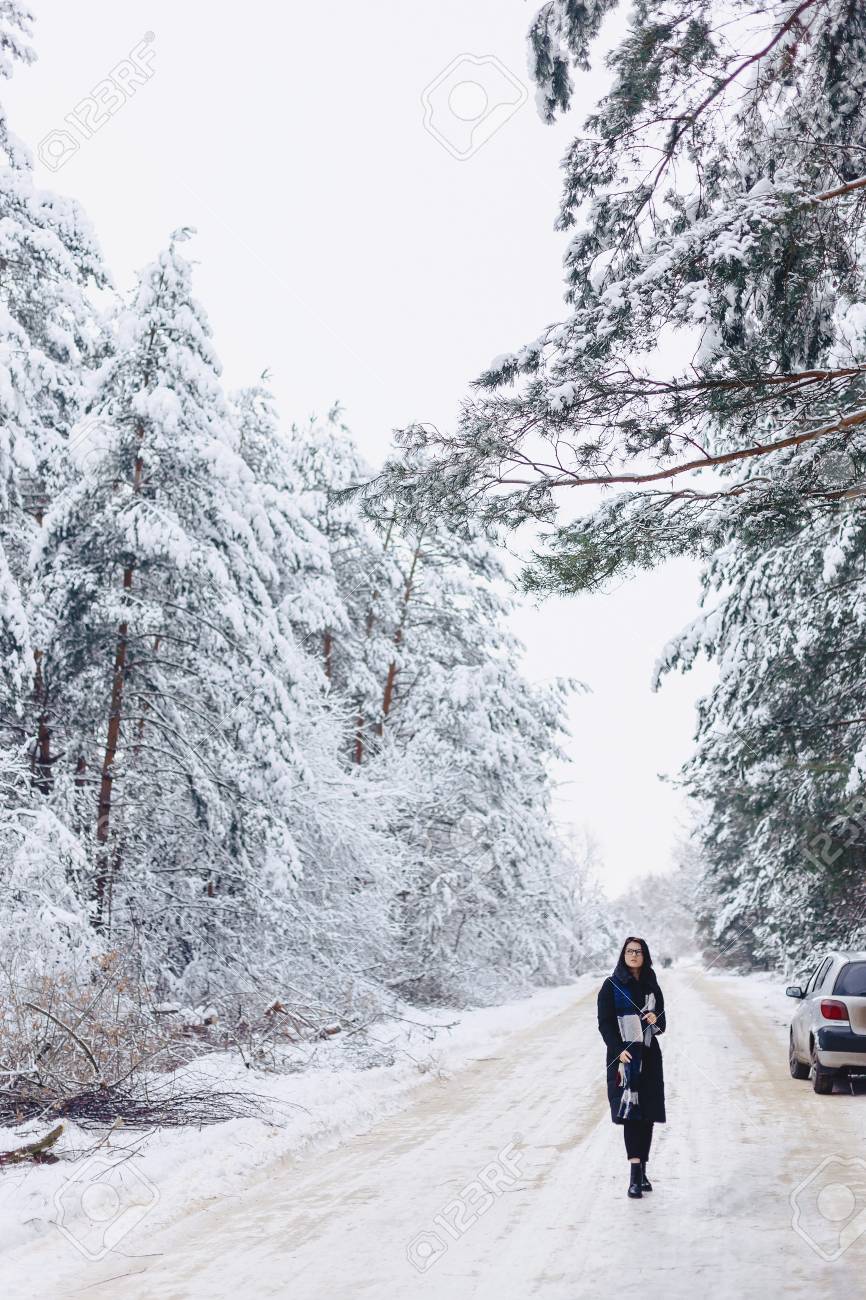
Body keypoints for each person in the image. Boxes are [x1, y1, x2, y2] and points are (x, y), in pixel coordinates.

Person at [597, 936, 667, 1199]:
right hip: (624, 1060)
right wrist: (619, 1051)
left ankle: (644, 1170)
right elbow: (605, 1024)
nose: (634, 955)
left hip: (649, 1057)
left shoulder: (652, 985)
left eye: (638, 951)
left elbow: (662, 1025)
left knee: (646, 1116)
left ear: (645, 955)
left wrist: (655, 1018)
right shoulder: (611, 985)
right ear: (623, 955)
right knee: (631, 1116)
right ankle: (634, 1177)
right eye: (629, 951)